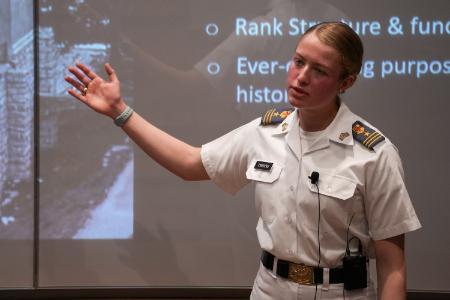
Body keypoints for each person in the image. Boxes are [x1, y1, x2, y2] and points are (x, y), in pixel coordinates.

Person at [65, 22, 421, 300]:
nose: (300, 77)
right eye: (298, 61)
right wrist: (120, 112)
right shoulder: (265, 132)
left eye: (319, 71)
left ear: (346, 82)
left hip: (344, 292)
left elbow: (393, 267)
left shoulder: (373, 153)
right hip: (271, 289)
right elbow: (190, 163)